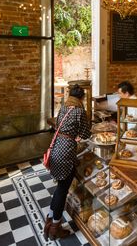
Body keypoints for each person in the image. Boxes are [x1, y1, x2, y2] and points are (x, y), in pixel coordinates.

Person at [44, 84, 91, 241]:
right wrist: (78, 135)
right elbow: (85, 133)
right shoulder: (79, 111)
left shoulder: (64, 108)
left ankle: (49, 221)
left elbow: (59, 125)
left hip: (56, 148)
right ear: (82, 97)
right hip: (66, 153)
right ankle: (55, 228)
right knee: (62, 190)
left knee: (59, 188)